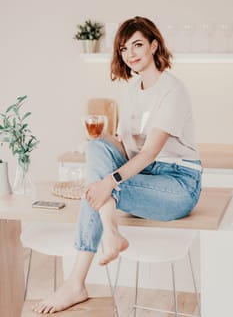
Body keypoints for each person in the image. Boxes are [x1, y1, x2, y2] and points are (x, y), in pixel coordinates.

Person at [32, 16, 202, 314]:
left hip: (178, 184)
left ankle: (76, 281)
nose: (131, 54)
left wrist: (108, 181)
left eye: (137, 44)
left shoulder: (173, 90)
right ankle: (111, 233)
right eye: (124, 49)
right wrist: (101, 140)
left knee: (98, 187)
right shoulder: (132, 90)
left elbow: (148, 153)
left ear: (154, 45)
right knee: (97, 148)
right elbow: (126, 147)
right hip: (144, 175)